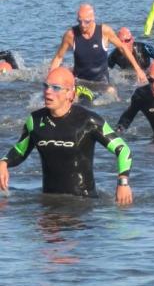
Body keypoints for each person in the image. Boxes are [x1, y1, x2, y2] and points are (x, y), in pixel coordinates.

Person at [0, 67, 133, 203]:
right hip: (49, 202)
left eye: (56, 88)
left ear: (70, 93)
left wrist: (123, 183)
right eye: (46, 86)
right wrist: (3, 163)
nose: (48, 92)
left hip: (83, 203)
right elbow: (20, 151)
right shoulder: (34, 120)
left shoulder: (88, 120)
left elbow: (123, 149)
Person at [51, 4, 147, 87]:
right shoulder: (71, 35)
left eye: (86, 21)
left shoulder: (104, 31)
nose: (83, 25)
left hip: (102, 82)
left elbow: (122, 48)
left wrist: (138, 69)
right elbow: (58, 57)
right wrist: (51, 79)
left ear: (93, 18)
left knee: (111, 94)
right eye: (79, 21)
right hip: (80, 81)